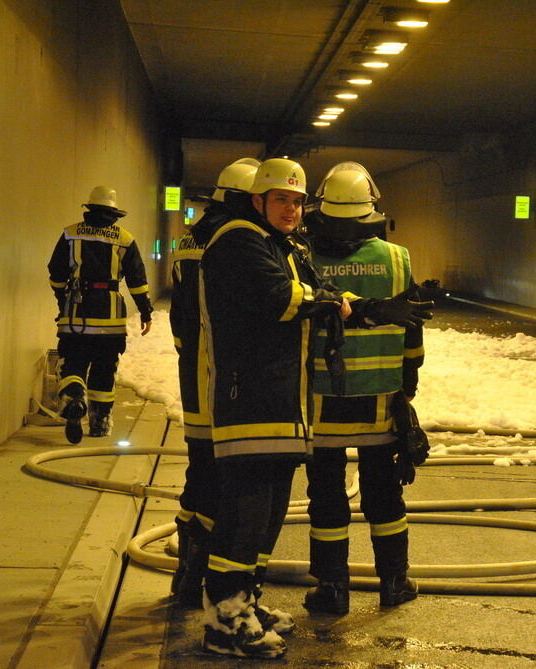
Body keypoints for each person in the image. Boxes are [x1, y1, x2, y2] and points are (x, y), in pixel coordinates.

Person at [199, 158, 433, 658]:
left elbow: (323, 293)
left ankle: (267, 599)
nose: (291, 209)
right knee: (246, 513)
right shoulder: (241, 240)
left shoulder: (285, 245)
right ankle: (225, 620)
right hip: (256, 399)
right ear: (257, 200)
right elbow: (286, 298)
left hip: (294, 402)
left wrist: (364, 307)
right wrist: (395, 359)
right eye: (280, 199)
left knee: (276, 510)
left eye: (297, 201)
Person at [298, 162, 425, 616]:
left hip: (320, 399)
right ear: (372, 207)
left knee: (326, 495)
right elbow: (413, 326)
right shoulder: (397, 258)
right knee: (385, 493)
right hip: (382, 397)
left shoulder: (302, 256)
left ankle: (332, 588)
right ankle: (394, 582)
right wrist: (409, 381)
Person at [168, 158, 259, 608]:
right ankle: (212, 580)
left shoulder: (192, 238)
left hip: (194, 373)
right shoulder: (239, 242)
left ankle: (187, 573)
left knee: (199, 467)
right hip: (230, 378)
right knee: (231, 479)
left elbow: (179, 317)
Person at [47, 186, 153, 444]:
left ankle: (74, 395)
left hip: (76, 317)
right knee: (105, 369)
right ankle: (100, 422)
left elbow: (56, 273)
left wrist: (63, 299)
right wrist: (145, 311)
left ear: (90, 209)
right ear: (114, 213)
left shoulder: (70, 234)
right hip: (110, 321)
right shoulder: (124, 238)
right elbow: (137, 280)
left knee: (72, 362)